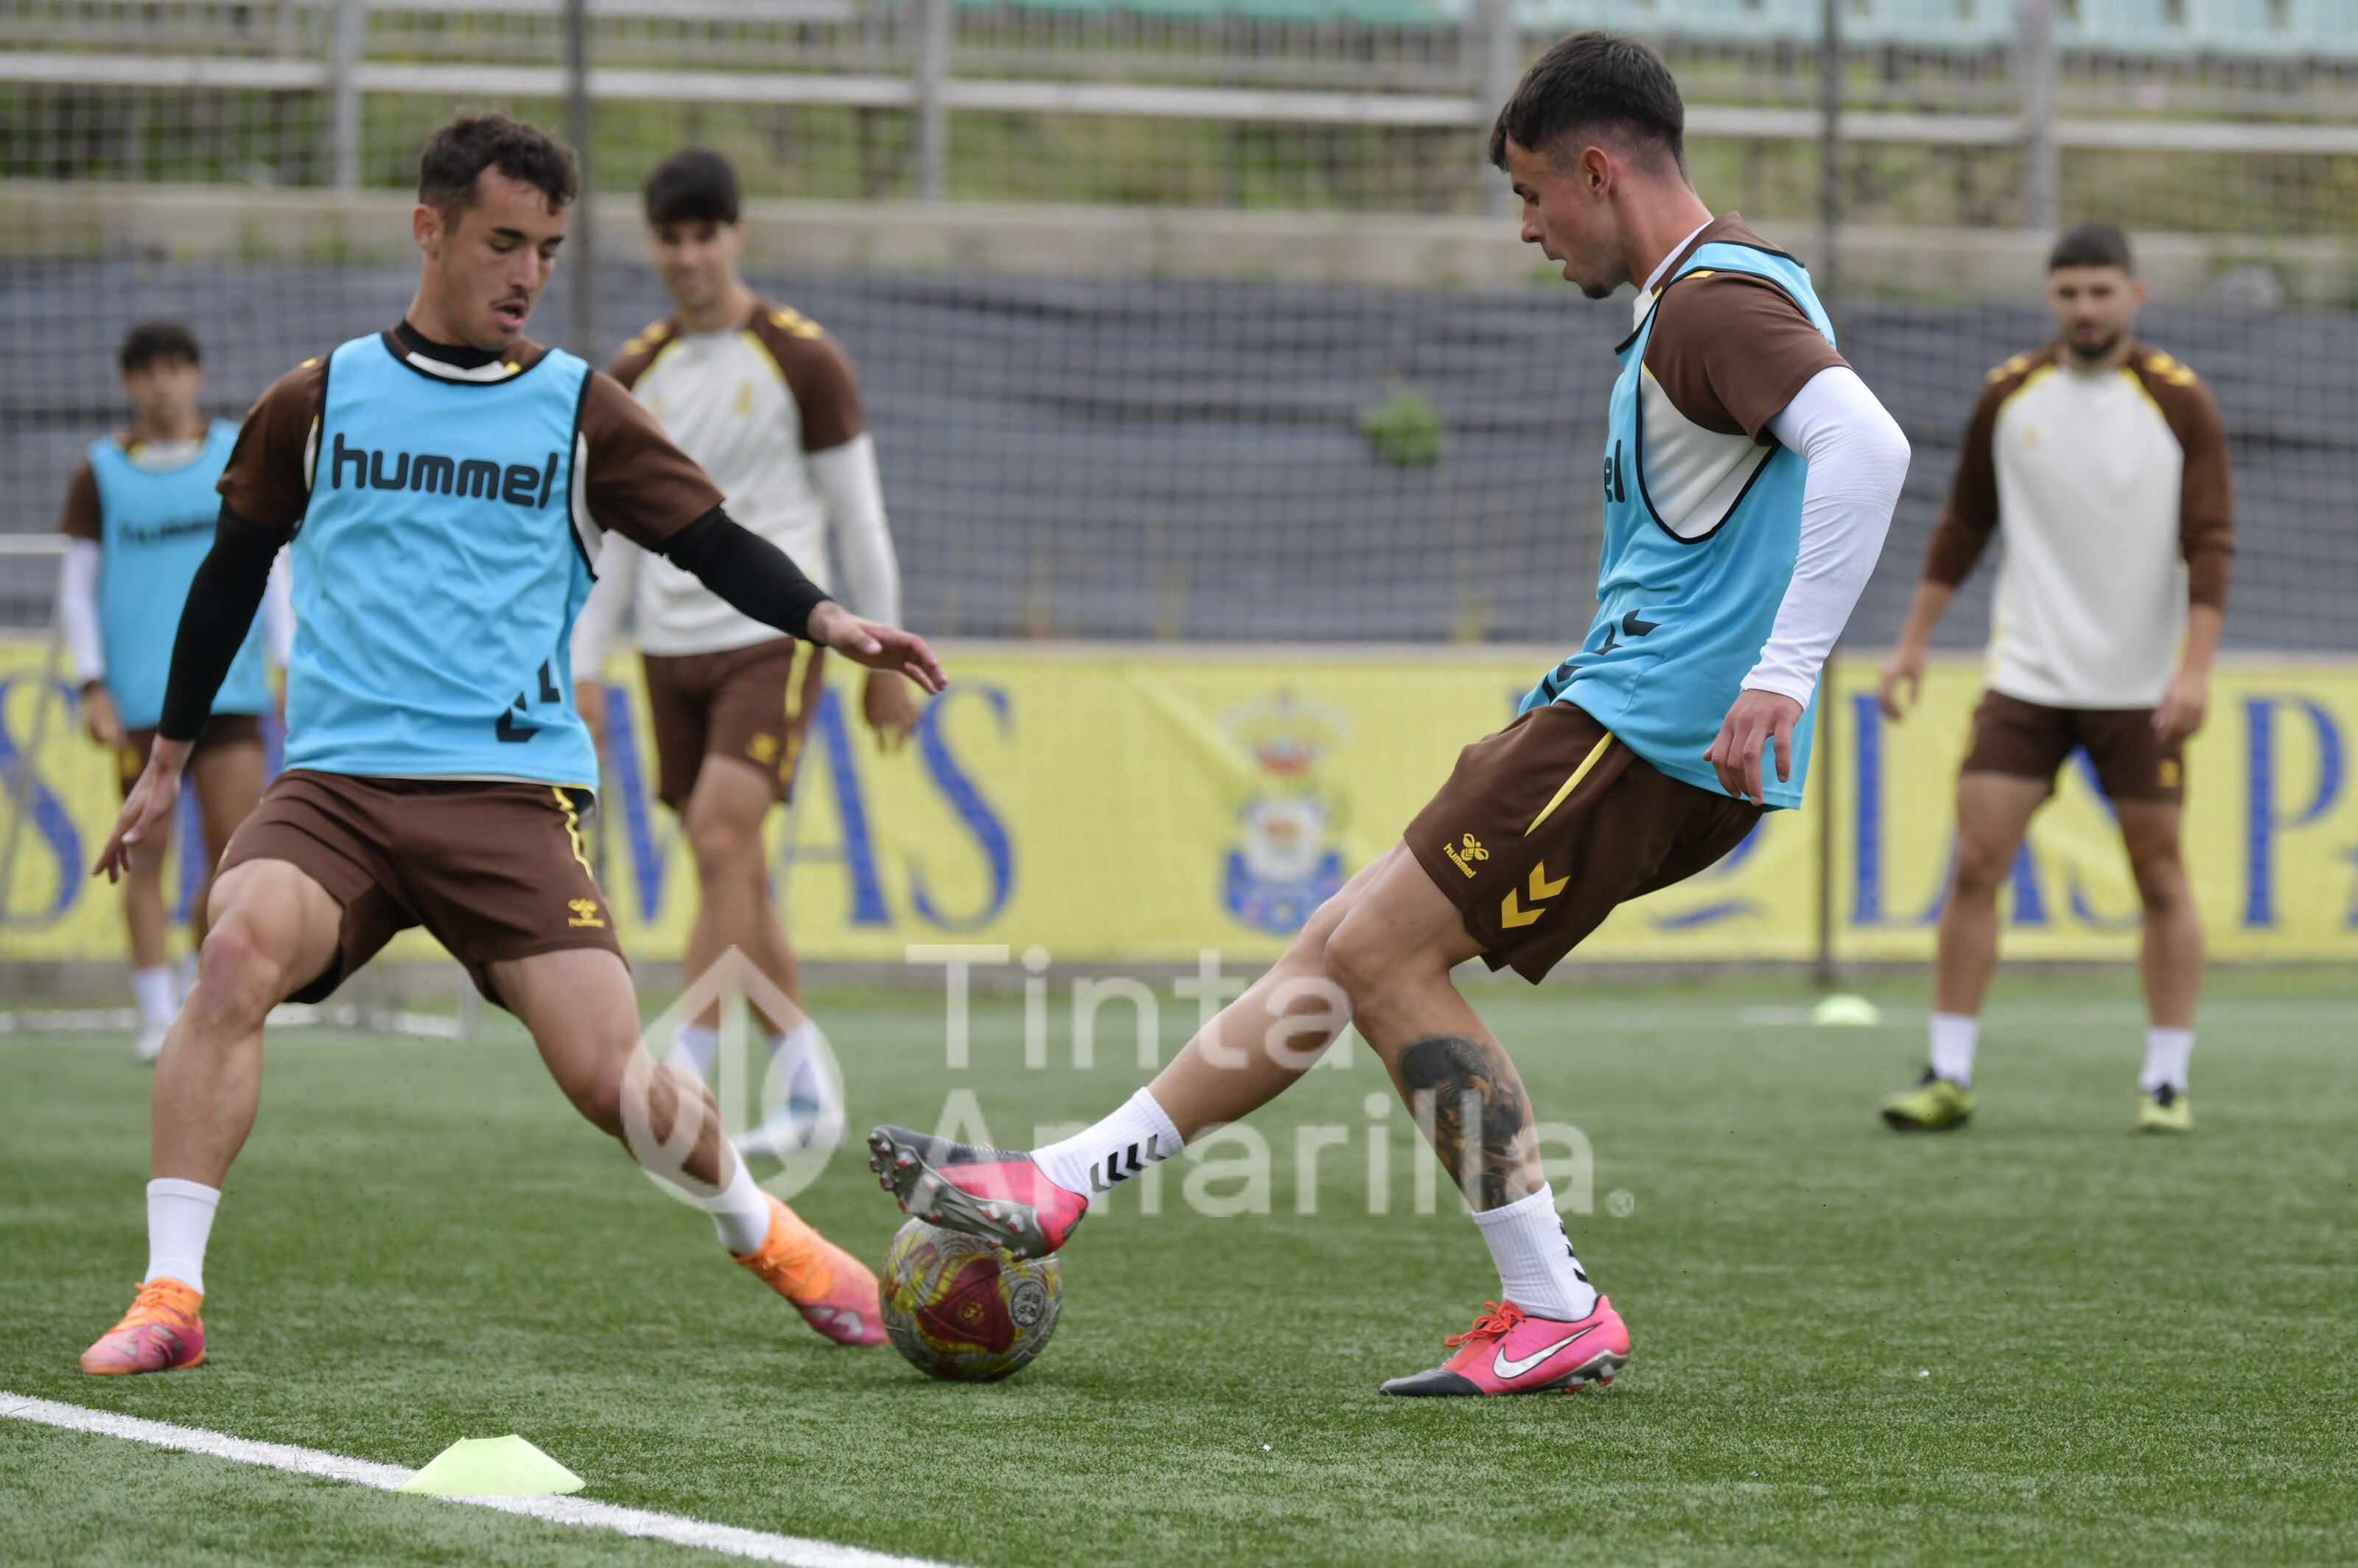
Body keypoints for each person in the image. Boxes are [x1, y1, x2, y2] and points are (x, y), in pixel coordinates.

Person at [864, 33, 1910, 1396]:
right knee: (1342, 941)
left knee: (1378, 958)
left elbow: (1869, 444)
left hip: (1648, 727)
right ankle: (1058, 1179)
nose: (1527, 229)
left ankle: (1554, 1303)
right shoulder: (1725, 286)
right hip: (1618, 714)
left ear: (1600, 170)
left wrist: (1785, 669)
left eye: (1532, 194)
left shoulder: (1709, 308)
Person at [77, 110, 945, 1378]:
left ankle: (772, 1235)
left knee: (611, 1077)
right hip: (336, 792)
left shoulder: (582, 407)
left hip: (510, 793)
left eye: (548, 248)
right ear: (428, 231)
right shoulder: (315, 399)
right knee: (236, 949)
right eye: (503, 243)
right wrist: (166, 760)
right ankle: (170, 1294)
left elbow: (708, 539)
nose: (529, 272)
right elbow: (231, 572)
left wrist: (827, 619)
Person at [572, 148, 914, 1158]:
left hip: (773, 637)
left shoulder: (804, 360)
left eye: (704, 235)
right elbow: (616, 537)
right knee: (738, 871)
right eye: (670, 238)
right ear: (653, 244)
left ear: (737, 236)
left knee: (722, 843)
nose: (688, 256)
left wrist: (883, 657)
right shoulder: (636, 372)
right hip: (665, 650)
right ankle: (809, 1091)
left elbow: (860, 518)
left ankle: (683, 1071)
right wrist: (587, 664)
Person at [1877, 221, 2231, 1136]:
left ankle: (2164, 1081)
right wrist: (1911, 643)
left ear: (2133, 296)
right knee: (1974, 862)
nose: (2085, 308)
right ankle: (1947, 1071)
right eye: (2068, 292)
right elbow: (1963, 525)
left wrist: (2193, 670)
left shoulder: (2178, 401)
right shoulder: (2009, 393)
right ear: (2049, 297)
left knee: (2159, 876)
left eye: (2100, 291)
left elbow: (2209, 543)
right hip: (2027, 677)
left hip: (2140, 688)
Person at [57, 321, 293, 1063]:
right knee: (144, 854)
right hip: (139, 700)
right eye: (147, 370)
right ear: (129, 382)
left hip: (233, 692)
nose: (162, 383)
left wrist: (288, 662)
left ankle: (200, 991)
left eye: (174, 367)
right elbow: (76, 588)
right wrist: (91, 683)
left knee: (233, 855)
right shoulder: (100, 472)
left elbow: (271, 565)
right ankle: (155, 1013)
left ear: (197, 374)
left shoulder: (234, 453)